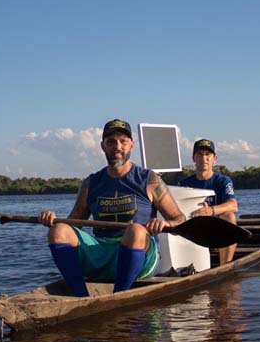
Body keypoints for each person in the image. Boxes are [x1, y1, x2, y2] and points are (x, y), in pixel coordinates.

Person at [38, 119, 186, 297]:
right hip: (101, 253)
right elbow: (73, 226)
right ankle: (81, 297)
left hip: (141, 256)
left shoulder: (150, 180)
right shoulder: (91, 183)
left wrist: (165, 224)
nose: (117, 147)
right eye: (111, 142)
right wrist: (53, 221)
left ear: (132, 145)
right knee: (58, 231)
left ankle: (120, 295)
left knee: (136, 231)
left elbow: (180, 219)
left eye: (123, 141)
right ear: (103, 146)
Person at [179, 139, 239, 265]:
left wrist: (211, 211)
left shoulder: (223, 181)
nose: (204, 158)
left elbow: (233, 205)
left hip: (216, 230)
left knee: (229, 216)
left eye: (208, 154)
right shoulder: (184, 183)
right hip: (193, 228)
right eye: (200, 154)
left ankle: (225, 265)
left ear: (214, 158)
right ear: (193, 158)